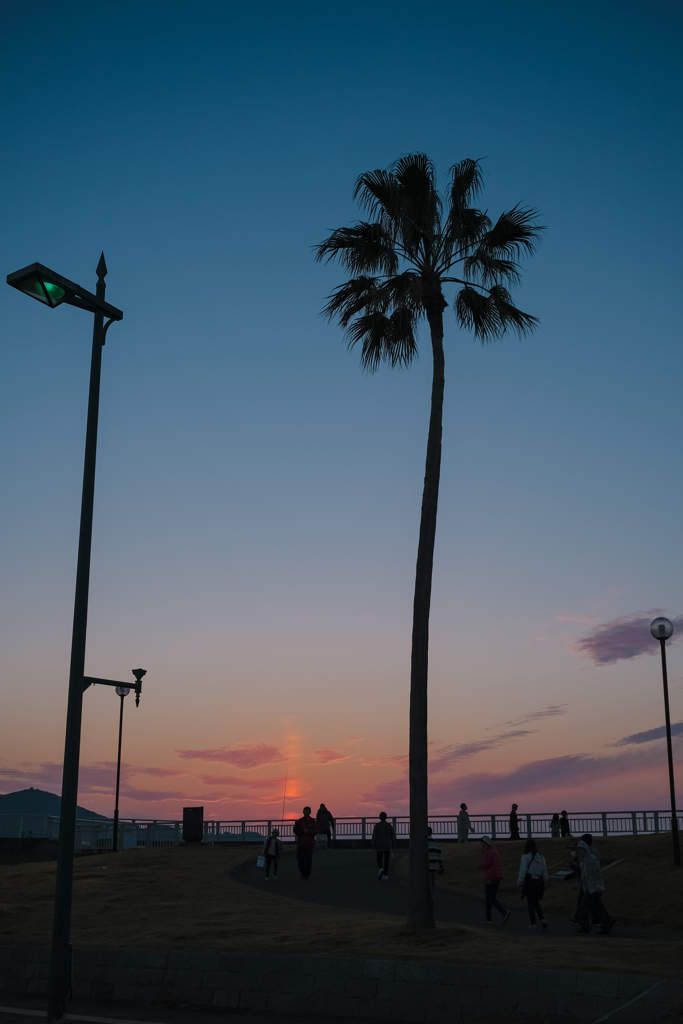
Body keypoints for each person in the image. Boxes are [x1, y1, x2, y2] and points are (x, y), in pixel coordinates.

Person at [575, 835, 616, 935]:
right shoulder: (586, 860)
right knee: (598, 908)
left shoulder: (590, 860)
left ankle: (585, 927)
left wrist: (597, 886)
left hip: (593, 887)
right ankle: (606, 926)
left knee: (584, 906)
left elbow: (596, 874)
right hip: (592, 887)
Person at [517, 838, 548, 930]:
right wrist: (545, 881)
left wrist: (519, 881)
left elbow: (522, 870)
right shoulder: (541, 856)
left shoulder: (526, 856)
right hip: (539, 881)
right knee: (536, 902)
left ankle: (533, 923)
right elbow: (544, 870)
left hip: (530, 881)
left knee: (530, 903)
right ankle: (542, 920)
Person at [479, 836, 511, 924]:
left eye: (482, 843)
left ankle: (489, 918)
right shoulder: (494, 851)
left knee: (489, 898)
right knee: (492, 898)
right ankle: (504, 912)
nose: (481, 845)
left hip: (491, 877)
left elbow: (487, 864)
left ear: (485, 843)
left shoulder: (487, 852)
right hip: (497, 876)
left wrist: (480, 866)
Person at [293, 806, 317, 879]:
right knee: (300, 859)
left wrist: (308, 831)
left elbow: (316, 831)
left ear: (310, 812)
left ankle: (306, 874)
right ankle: (303, 872)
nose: (306, 812)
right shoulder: (299, 821)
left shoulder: (313, 821)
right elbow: (295, 831)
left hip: (309, 844)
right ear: (303, 812)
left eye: (307, 811)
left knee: (308, 859)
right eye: (305, 811)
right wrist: (302, 831)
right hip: (300, 844)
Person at [371, 811, 395, 880]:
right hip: (388, 844)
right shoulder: (389, 826)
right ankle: (385, 874)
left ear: (379, 818)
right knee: (386, 860)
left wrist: (373, 845)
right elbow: (393, 836)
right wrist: (393, 846)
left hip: (379, 844)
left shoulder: (377, 826)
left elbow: (374, 836)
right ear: (386, 817)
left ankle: (381, 868)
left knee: (379, 858)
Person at [427, 827, 444, 895]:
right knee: (432, 881)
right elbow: (439, 856)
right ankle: (432, 895)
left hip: (427, 865)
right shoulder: (436, 843)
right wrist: (441, 866)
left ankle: (427, 896)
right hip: (435, 865)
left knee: (426, 882)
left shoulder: (422, 843)